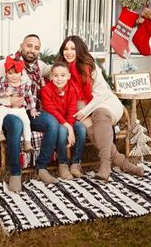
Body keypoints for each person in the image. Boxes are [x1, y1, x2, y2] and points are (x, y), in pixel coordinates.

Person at [58, 35, 144, 182]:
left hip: (106, 103)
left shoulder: (90, 66)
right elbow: (47, 71)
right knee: (96, 133)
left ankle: (105, 165)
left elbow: (102, 94)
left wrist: (84, 112)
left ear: (79, 50)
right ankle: (125, 164)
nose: (69, 52)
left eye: (73, 48)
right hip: (85, 110)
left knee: (99, 114)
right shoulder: (62, 70)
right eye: (66, 49)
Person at [0, 34, 59, 192]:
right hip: (9, 112)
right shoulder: (4, 64)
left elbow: (53, 70)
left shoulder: (39, 65)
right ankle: (15, 173)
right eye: (29, 46)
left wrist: (72, 63)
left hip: (30, 112)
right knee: (16, 124)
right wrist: (8, 101)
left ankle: (42, 168)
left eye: (37, 48)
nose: (32, 50)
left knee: (52, 122)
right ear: (21, 46)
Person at [41, 62, 86, 180]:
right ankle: (63, 164)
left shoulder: (71, 89)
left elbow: (72, 110)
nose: (59, 79)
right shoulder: (46, 90)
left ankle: (75, 163)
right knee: (62, 131)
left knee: (81, 128)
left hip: (68, 119)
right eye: (55, 75)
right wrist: (69, 128)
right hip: (56, 120)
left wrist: (70, 125)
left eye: (62, 75)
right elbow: (51, 110)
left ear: (68, 76)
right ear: (51, 77)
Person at [0, 56, 39, 152]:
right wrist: (4, 93)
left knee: (27, 122)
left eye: (16, 73)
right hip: (7, 108)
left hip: (19, 109)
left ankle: (27, 143)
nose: (13, 76)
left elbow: (29, 97)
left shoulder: (24, 84)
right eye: (10, 73)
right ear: (6, 74)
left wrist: (33, 109)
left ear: (21, 73)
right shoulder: (4, 83)